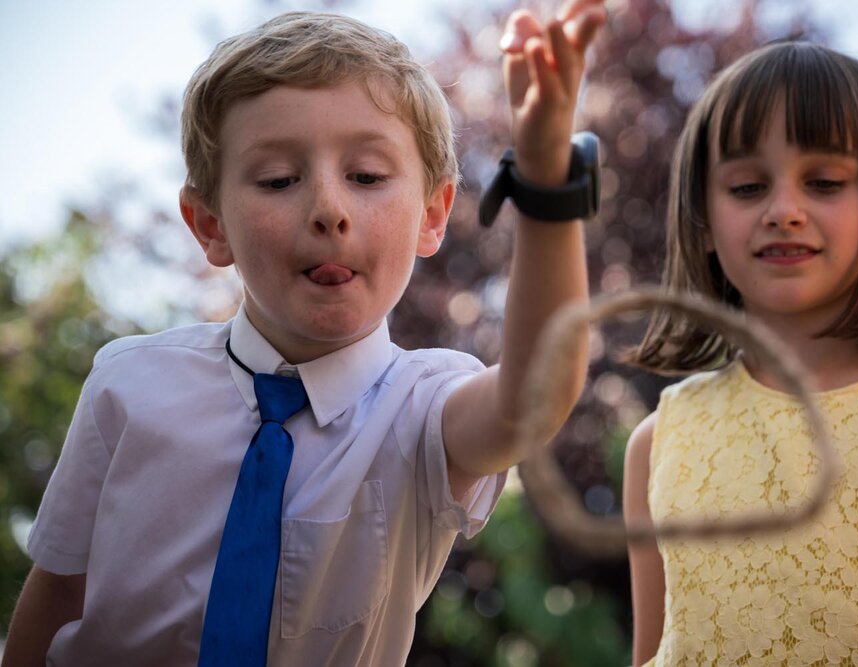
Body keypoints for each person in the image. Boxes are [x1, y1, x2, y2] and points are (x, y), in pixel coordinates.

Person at [3, 3, 606, 666]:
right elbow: (60, 591)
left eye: (367, 176)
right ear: (210, 225)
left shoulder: (424, 407)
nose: (327, 209)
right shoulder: (125, 383)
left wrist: (549, 185)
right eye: (279, 180)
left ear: (433, 215)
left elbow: (533, 398)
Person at [622, 41, 858, 666]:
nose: (785, 211)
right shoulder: (659, 444)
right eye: (746, 187)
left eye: (824, 182)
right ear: (703, 223)